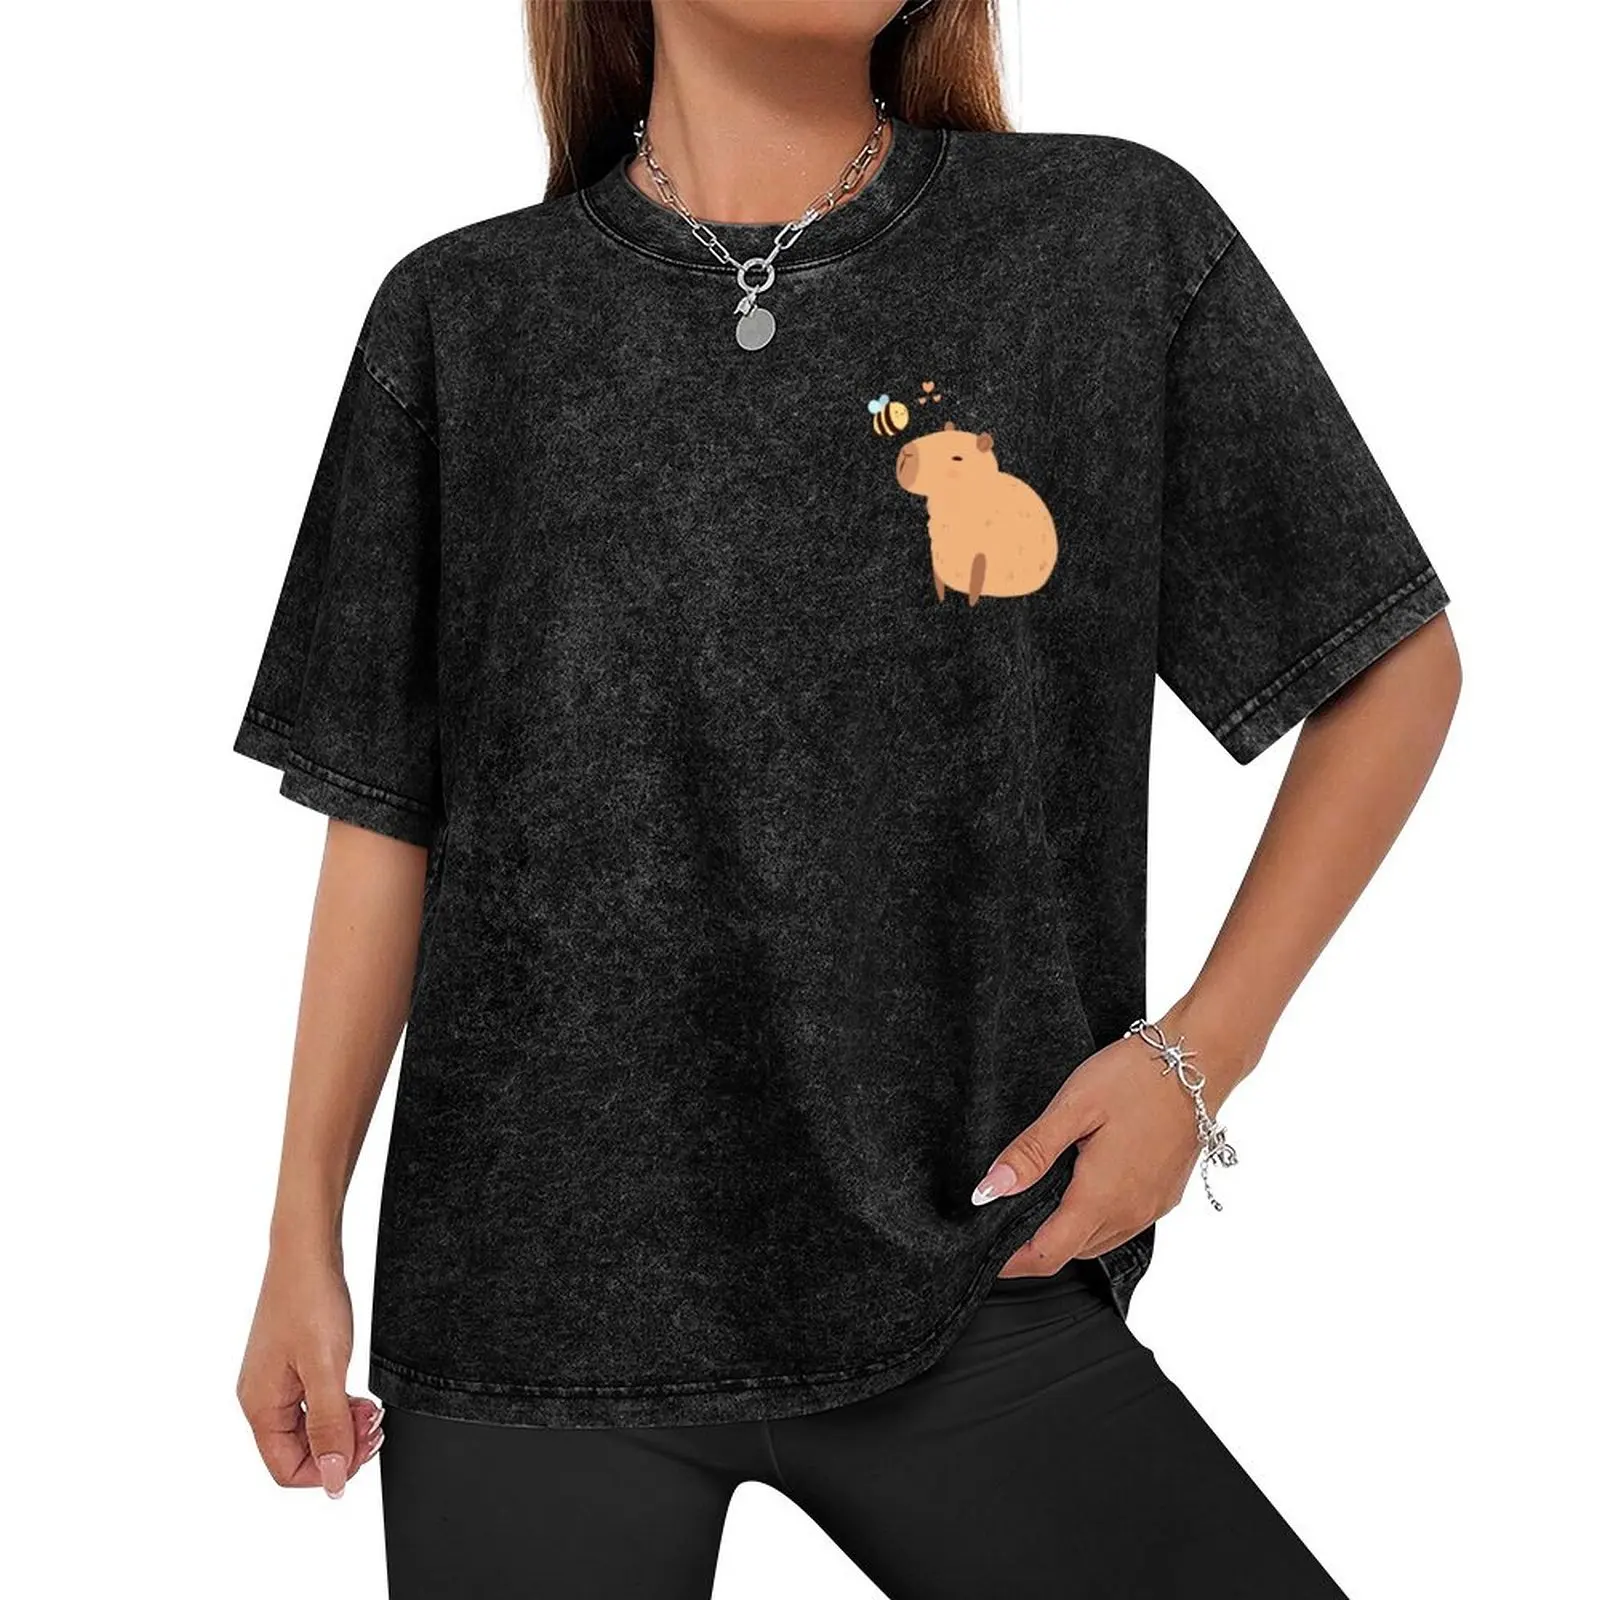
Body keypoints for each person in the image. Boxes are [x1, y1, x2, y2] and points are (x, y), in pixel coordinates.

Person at [232, 2, 1461, 1595]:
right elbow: (391, 815)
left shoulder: (1102, 243)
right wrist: (300, 1231)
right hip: (529, 1311)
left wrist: (1195, 1059)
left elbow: (1391, 669)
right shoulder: (466, 320)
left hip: (972, 1256)